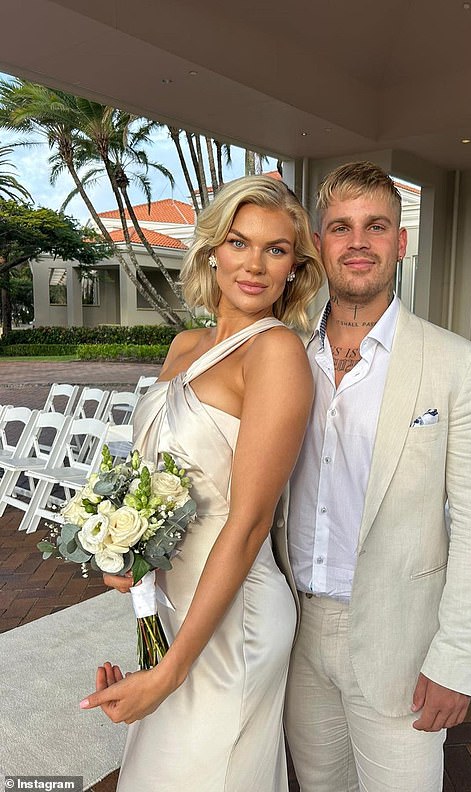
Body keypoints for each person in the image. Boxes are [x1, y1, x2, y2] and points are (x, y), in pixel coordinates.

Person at [79, 175, 323, 791]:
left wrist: (169, 674)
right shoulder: (184, 345)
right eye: (241, 242)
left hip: (233, 617)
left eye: (276, 249)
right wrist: (125, 555)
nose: (256, 264)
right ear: (213, 248)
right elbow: (152, 483)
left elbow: (247, 526)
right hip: (171, 604)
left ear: (295, 267)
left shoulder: (277, 355)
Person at [273, 161, 471, 791]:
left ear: (400, 242)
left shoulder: (459, 365)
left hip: (401, 640)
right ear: (320, 245)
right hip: (296, 630)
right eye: (340, 228)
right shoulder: (285, 359)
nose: (358, 242)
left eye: (375, 226)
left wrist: (458, 660)